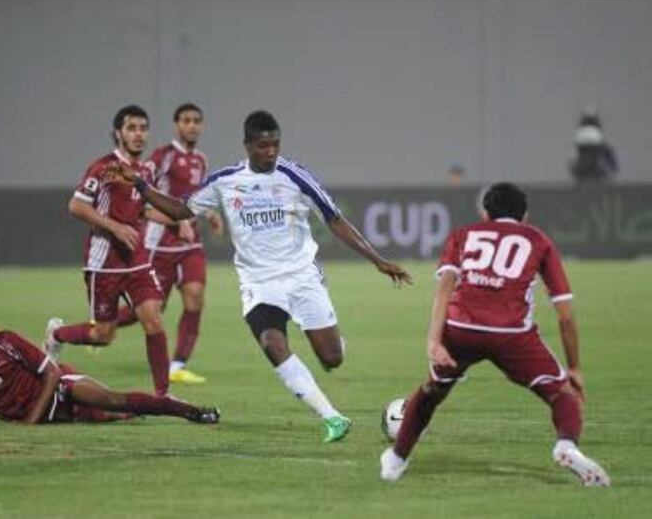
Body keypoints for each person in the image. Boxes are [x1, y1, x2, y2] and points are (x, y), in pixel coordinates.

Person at [115, 110, 412, 443]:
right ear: (247, 145)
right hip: (259, 283)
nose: (270, 152)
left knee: (332, 358)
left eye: (275, 144)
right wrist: (141, 185)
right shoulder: (225, 181)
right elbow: (180, 209)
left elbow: (334, 218)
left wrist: (377, 260)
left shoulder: (294, 175)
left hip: (302, 276)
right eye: (262, 146)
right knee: (272, 342)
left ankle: (332, 341)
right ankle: (332, 417)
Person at [379, 182, 610, 486]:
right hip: (512, 334)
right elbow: (565, 315)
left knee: (432, 391)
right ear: (524, 215)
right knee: (561, 394)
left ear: (484, 213)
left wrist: (434, 341)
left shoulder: (463, 234)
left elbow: (444, 289)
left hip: (461, 329)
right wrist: (575, 368)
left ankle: (395, 461)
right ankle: (566, 445)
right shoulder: (538, 240)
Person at [44, 105, 179, 396]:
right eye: (132, 128)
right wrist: (115, 227)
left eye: (143, 128)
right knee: (103, 335)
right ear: (118, 133)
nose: (139, 134)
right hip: (104, 262)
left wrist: (177, 218)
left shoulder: (144, 171)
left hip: (137, 261)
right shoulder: (103, 167)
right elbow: (77, 206)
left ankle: (162, 395)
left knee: (153, 318)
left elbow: (142, 209)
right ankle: (57, 334)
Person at [0, 307, 220, 427]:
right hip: (54, 416)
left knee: (115, 401)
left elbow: (52, 373)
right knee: (117, 417)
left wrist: (31, 420)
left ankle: (189, 411)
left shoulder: (3, 341)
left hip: (57, 389)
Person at [116, 103, 224, 385]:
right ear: (177, 125)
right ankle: (104, 323)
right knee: (150, 309)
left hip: (190, 245)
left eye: (196, 121)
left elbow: (196, 196)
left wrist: (210, 213)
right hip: (159, 245)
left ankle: (177, 365)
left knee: (195, 297)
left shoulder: (201, 159)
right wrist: (176, 220)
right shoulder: (162, 156)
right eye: (186, 120)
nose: (192, 125)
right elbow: (142, 187)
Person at [569, 106, 618, 183]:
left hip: (590, 168)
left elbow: (573, 156)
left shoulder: (583, 133)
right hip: (588, 168)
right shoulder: (593, 133)